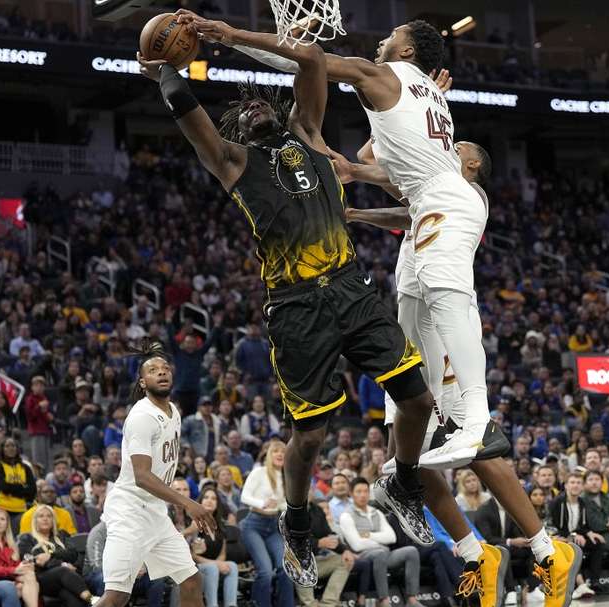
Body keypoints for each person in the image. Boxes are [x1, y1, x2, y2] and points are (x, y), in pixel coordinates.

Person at [139, 15, 440, 591]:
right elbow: (189, 116)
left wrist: (230, 36)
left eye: (259, 103)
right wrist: (164, 73)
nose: (253, 107)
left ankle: (402, 481)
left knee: (418, 398)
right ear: (238, 128)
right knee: (309, 438)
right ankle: (297, 520)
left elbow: (310, 61)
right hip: (297, 307)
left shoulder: (307, 132)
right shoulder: (233, 163)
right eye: (242, 110)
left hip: (352, 288)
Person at [334, 129, 572, 607]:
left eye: (458, 148)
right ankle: (474, 554)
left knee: (469, 442)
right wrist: (359, 211)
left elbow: (369, 163)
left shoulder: (468, 193)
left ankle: (549, 550)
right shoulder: (433, 194)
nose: (450, 146)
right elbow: (402, 201)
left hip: (441, 326)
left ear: (471, 168)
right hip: (413, 323)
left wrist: (361, 168)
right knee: (411, 456)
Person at [92, 341, 215, 607]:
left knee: (192, 580)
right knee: (116, 597)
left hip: (156, 513)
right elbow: (142, 476)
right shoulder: (141, 417)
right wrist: (188, 502)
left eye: (165, 368)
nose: (161, 372)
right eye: (153, 370)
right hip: (130, 512)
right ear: (142, 382)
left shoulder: (175, 413)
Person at [339, 477, 421, 607]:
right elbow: (357, 545)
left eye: (365, 491)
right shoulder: (346, 516)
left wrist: (368, 535)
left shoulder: (376, 512)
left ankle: (412, 599)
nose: (363, 495)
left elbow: (391, 537)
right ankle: (384, 600)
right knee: (379, 553)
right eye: (358, 491)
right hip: (362, 556)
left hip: (384, 554)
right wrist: (380, 541)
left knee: (411, 551)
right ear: (351, 493)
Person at [239, 441, 291, 607]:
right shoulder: (259, 472)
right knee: (266, 571)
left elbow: (283, 504)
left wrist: (284, 505)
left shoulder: (286, 476)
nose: (280, 454)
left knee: (286, 568)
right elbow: (244, 497)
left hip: (274, 526)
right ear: (269, 455)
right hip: (253, 525)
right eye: (276, 451)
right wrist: (263, 503)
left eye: (283, 452)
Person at [17, 504, 96, 607]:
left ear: (53, 520)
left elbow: (72, 553)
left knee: (72, 598)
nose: (45, 519)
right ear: (35, 520)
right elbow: (36, 560)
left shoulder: (61, 535)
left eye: (49, 516)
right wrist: (62, 564)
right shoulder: (27, 538)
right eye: (41, 516)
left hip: (66, 580)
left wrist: (51, 555)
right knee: (62, 570)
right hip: (42, 580)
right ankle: (94, 601)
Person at [83, 522, 166, 607]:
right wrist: (124, 572)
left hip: (128, 575)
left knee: (156, 578)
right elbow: (97, 565)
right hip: (96, 575)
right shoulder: (99, 531)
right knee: (106, 581)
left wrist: (143, 567)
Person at [0, 507, 39, 607]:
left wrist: (24, 566)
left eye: (2, 519)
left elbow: (16, 565)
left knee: (29, 575)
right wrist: (15, 570)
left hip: (10, 579)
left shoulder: (11, 543)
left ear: (7, 523)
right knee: (25, 585)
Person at [297, 497, 352, 607]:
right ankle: (309, 604)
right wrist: (317, 543)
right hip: (295, 562)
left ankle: (328, 604)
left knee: (344, 561)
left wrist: (345, 550)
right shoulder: (288, 511)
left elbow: (328, 534)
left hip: (316, 561)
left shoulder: (317, 509)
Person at [190, 487, 238, 607]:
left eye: (213, 498)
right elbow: (193, 556)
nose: (209, 501)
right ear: (200, 501)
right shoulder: (195, 523)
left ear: (217, 504)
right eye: (206, 497)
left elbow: (222, 554)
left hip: (212, 565)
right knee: (212, 568)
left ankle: (231, 604)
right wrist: (216, 564)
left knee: (232, 565)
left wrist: (219, 563)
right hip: (196, 567)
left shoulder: (220, 526)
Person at [0, 438, 36, 532]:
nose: (11, 448)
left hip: (21, 509)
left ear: (17, 448)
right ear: (2, 449)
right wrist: (22, 488)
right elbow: (3, 487)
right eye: (7, 446)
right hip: (2, 509)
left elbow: (32, 490)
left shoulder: (25, 467)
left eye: (13, 446)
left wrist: (11, 489)